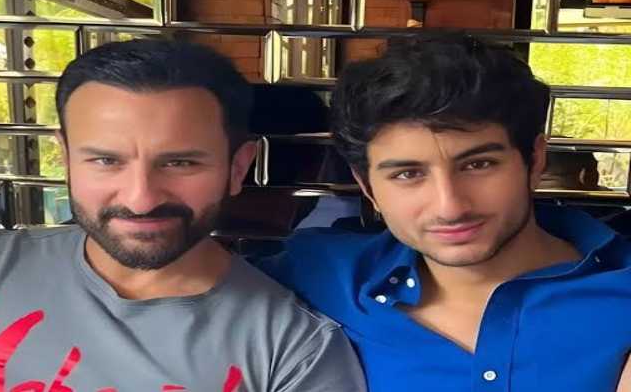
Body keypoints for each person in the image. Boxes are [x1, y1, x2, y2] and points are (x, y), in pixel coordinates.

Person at [0, 39, 366, 391]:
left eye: (180, 162)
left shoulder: (294, 351)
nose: (141, 197)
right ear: (65, 159)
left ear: (237, 167)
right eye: (106, 160)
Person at [257, 35, 631, 392]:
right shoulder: (316, 276)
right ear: (368, 187)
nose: (450, 206)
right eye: (407, 174)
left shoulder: (621, 292)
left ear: (535, 160)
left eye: (479, 165)